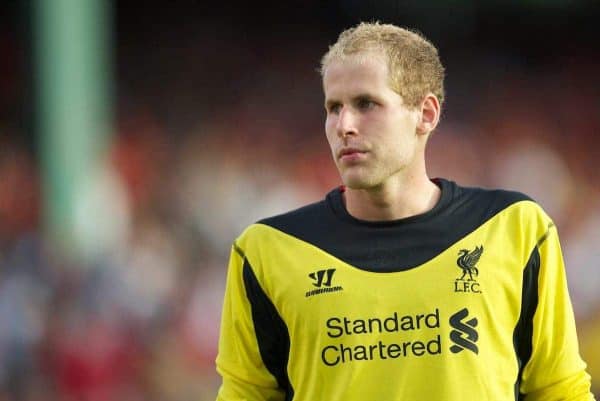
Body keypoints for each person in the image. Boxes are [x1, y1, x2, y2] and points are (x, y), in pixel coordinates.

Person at [215, 22, 595, 400]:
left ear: (426, 114)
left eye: (366, 104)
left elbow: (559, 390)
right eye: (334, 107)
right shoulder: (267, 250)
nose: (344, 125)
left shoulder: (514, 227)